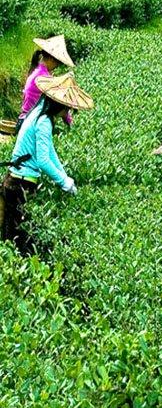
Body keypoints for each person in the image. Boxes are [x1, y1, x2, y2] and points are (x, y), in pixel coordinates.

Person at [2, 72, 94, 254]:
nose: (66, 113)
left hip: (15, 180)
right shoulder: (43, 121)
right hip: (21, 184)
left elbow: (50, 152)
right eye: (66, 108)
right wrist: (63, 182)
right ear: (58, 104)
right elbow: (43, 160)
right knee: (17, 242)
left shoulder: (38, 112)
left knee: (12, 236)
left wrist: (64, 176)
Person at [18, 35, 75, 131]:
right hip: (29, 123)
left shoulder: (38, 72)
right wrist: (70, 122)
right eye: (57, 63)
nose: (57, 66)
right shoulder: (43, 77)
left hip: (25, 120)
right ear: (51, 59)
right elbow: (58, 101)